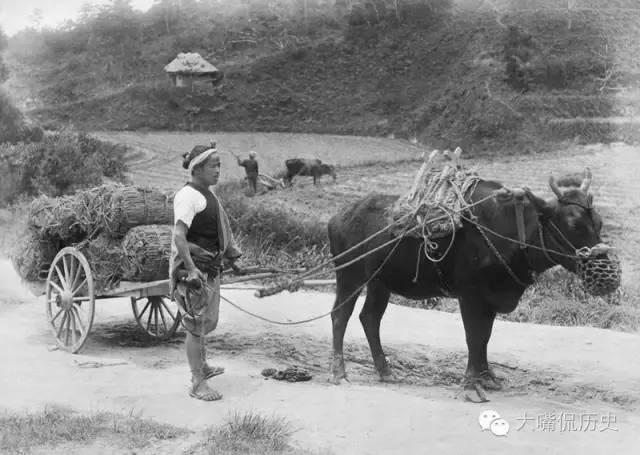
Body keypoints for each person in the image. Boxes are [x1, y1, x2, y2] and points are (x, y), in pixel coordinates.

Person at [170, 145, 242, 401]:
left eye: (219, 165)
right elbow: (179, 236)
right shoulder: (188, 196)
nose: (218, 170)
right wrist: (190, 269)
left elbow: (222, 230)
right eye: (214, 165)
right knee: (195, 325)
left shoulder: (209, 196)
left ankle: (203, 367)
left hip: (209, 267)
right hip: (194, 271)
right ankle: (197, 382)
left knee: (206, 321)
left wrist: (232, 258)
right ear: (197, 168)